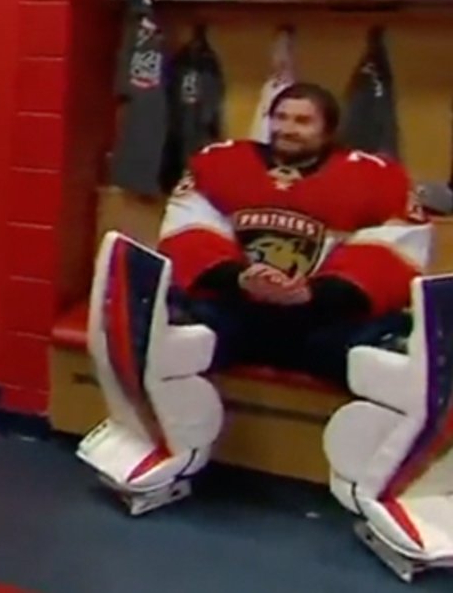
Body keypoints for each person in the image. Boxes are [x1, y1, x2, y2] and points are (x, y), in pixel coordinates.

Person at [79, 82, 432, 514]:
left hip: (321, 321)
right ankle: (166, 450)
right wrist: (240, 278)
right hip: (240, 311)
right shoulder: (221, 164)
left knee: (400, 367)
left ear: (329, 129)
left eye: (302, 121)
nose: (287, 129)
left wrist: (315, 293)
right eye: (281, 118)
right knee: (166, 343)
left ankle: (396, 485)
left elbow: (397, 248)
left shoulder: (376, 178)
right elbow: (188, 231)